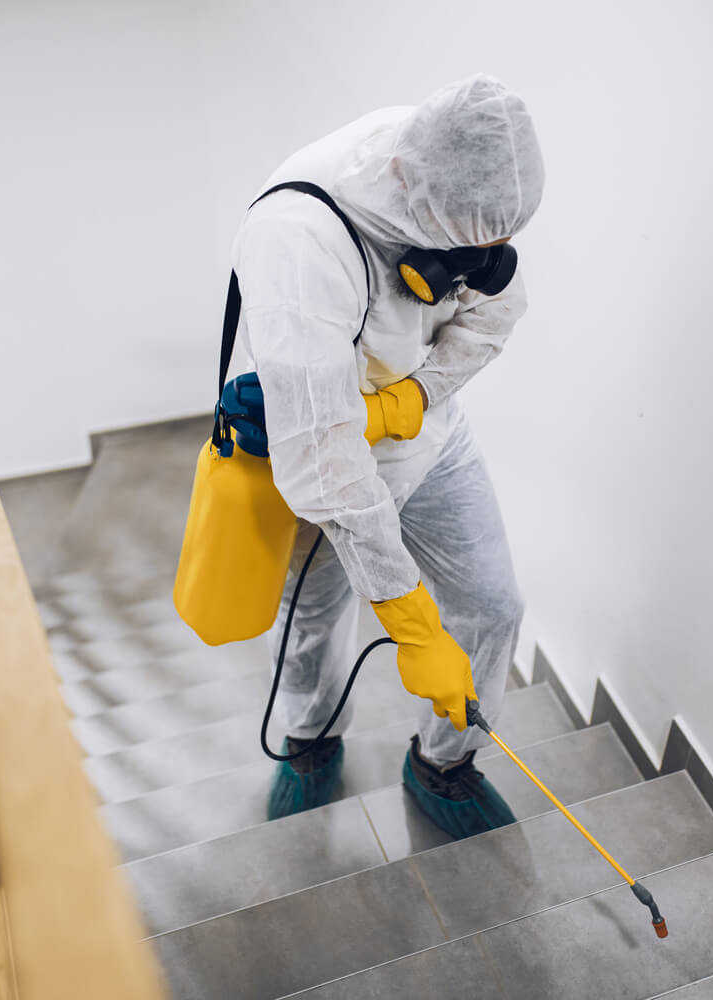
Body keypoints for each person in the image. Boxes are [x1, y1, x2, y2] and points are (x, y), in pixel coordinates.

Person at [231, 74, 544, 839]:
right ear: (409, 185)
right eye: (468, 247)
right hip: (325, 450)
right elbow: (326, 463)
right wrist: (412, 625)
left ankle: (443, 761)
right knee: (311, 620)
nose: (485, 262)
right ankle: (310, 739)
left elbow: (496, 311)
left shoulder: (464, 174)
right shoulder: (299, 243)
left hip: (431, 435)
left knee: (494, 607)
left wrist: (415, 397)